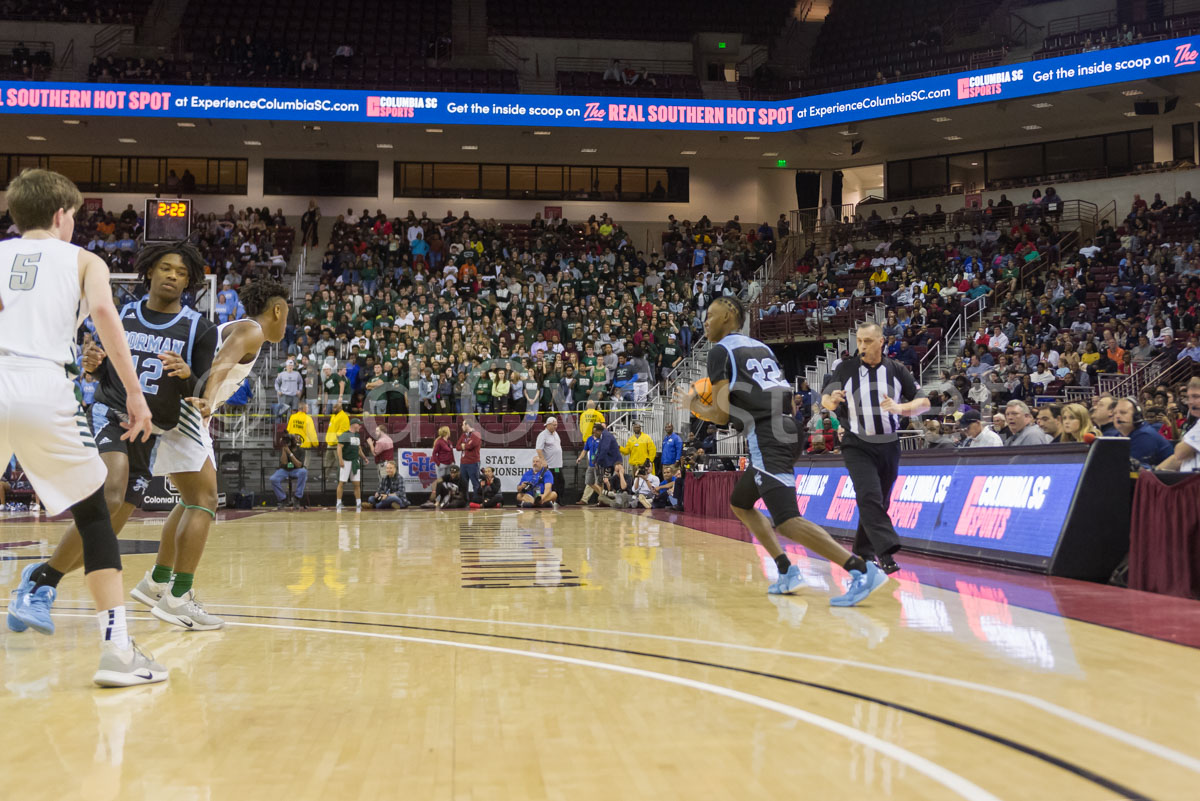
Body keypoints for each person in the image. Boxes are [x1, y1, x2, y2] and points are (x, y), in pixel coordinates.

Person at [0, 167, 163, 686]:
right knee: (95, 514)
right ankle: (117, 652)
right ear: (61, 215)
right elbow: (102, 312)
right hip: (42, 383)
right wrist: (135, 393)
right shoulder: (83, 259)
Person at [18, 242, 212, 635]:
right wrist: (90, 363)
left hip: (152, 430)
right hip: (110, 411)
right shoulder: (121, 313)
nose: (173, 275)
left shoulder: (198, 328)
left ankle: (41, 577)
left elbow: (204, 389)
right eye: (165, 268)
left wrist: (188, 374)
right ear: (149, 272)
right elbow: (93, 363)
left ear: (189, 282)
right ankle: (42, 588)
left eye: (181, 272)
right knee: (111, 488)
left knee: (111, 523)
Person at [692, 297, 890, 605]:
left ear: (729, 315)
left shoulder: (720, 351)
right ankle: (786, 570)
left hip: (767, 435)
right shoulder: (762, 348)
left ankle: (862, 570)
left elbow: (719, 416)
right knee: (741, 502)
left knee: (786, 519)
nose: (705, 321)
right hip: (787, 426)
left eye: (710, 315)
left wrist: (695, 406)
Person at [822, 320, 930, 578]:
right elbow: (825, 397)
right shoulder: (846, 369)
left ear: (882, 342)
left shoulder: (896, 369)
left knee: (879, 500)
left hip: (889, 444)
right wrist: (831, 401)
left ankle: (864, 552)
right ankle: (886, 550)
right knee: (868, 495)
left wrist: (900, 408)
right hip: (856, 443)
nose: (862, 346)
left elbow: (924, 402)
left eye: (868, 341)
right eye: (859, 341)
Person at [1113, 398, 1174, 467]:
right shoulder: (1118, 435)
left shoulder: (1145, 435)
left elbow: (1133, 469)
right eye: (1114, 413)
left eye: (1123, 412)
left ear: (1137, 416)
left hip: (1165, 476)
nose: (1117, 416)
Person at [336, 418, 366, 511]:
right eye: (359, 424)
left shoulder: (357, 435)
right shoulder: (345, 435)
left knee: (357, 483)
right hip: (346, 461)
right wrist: (340, 460)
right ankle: (338, 502)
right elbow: (339, 447)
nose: (360, 426)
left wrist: (364, 458)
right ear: (354, 425)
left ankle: (358, 503)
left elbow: (359, 448)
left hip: (355, 461)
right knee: (342, 482)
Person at [271, 434, 308, 509]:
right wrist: (285, 450)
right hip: (285, 470)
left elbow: (298, 465)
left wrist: (290, 453)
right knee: (273, 479)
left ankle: (297, 498)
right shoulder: (286, 448)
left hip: (296, 470)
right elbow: (284, 463)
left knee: (303, 472)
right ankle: (283, 499)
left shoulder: (301, 450)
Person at [423, 425, 456, 508]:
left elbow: (451, 453)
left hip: (449, 464)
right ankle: (437, 500)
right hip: (441, 465)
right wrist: (438, 463)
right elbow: (434, 453)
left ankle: (447, 499)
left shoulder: (449, 442)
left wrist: (453, 461)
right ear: (446, 432)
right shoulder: (439, 442)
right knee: (440, 483)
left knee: (448, 483)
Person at [590, 421, 622, 500]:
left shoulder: (606, 436)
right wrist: (596, 460)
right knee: (605, 480)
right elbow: (599, 450)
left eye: (594, 433)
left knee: (607, 480)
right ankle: (606, 499)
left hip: (613, 462)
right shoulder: (603, 435)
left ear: (598, 431)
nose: (594, 435)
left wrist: (598, 462)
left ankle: (612, 498)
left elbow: (604, 450)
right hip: (609, 461)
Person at [535, 416, 563, 501]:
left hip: (557, 466)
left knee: (560, 481)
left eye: (556, 425)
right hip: (549, 466)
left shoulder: (556, 433)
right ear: (548, 425)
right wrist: (543, 461)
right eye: (554, 425)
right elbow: (539, 449)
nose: (555, 427)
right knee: (551, 482)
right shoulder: (543, 435)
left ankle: (559, 499)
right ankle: (549, 499)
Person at [456, 420, 482, 497]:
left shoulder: (476, 434)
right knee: (463, 484)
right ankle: (464, 501)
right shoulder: (463, 435)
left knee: (475, 483)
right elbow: (457, 447)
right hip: (463, 463)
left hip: (473, 462)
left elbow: (471, 446)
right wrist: (465, 445)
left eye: (463, 425)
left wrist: (464, 445)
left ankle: (476, 500)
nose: (462, 426)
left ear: (467, 425)